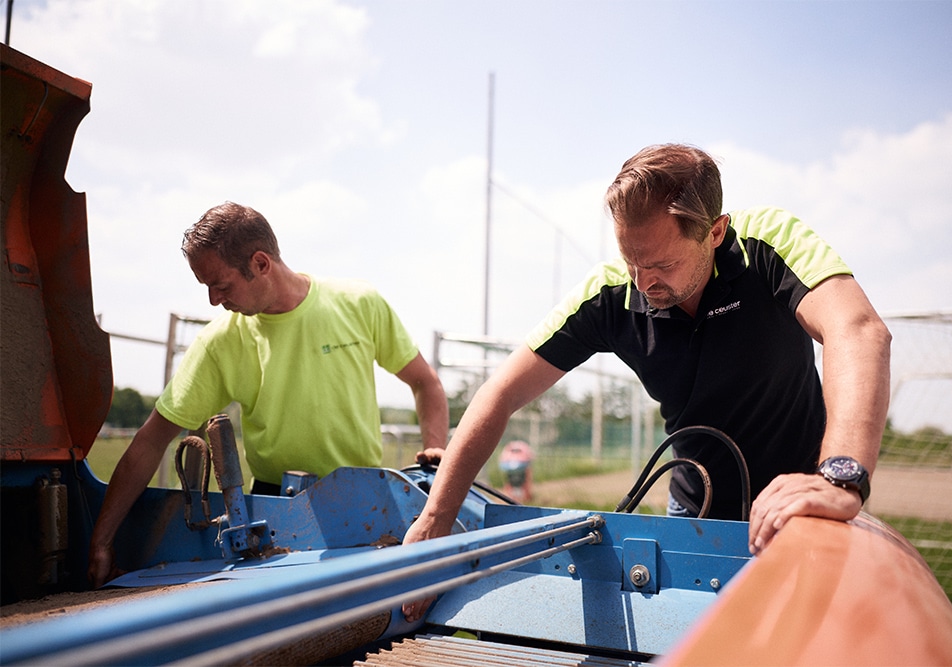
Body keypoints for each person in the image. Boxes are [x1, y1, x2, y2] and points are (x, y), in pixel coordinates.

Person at [401, 143, 891, 621]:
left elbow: (858, 331)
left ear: (715, 232)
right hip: (694, 515)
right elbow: (500, 394)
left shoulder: (766, 243)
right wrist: (436, 519)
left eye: (662, 265)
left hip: (800, 503)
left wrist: (839, 478)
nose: (644, 282)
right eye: (632, 262)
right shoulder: (609, 293)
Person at [88, 202, 449, 588]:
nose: (213, 300)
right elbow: (150, 440)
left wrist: (434, 449)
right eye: (206, 287)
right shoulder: (221, 341)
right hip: (274, 513)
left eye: (221, 285)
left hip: (365, 502)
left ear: (261, 263)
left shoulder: (359, 304)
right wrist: (101, 541)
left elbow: (425, 383)